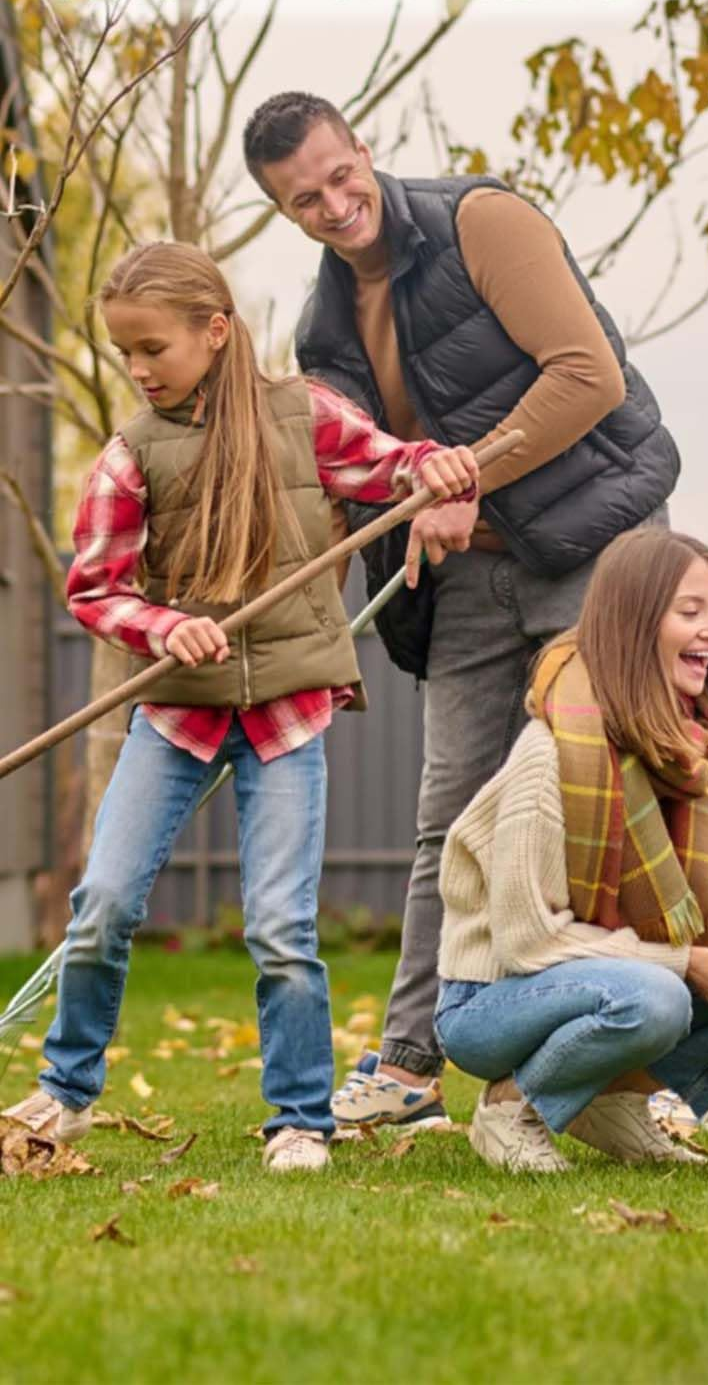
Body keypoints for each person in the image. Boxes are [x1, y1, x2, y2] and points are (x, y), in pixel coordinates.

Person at [241, 93, 679, 1130]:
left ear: (363, 149)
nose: (335, 206)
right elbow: (355, 481)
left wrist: (465, 472)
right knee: (451, 816)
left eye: (340, 177)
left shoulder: (484, 221)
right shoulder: (324, 326)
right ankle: (410, 1063)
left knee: (613, 794)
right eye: (305, 200)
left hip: (591, 542)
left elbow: (589, 377)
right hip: (468, 574)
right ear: (282, 209)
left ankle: (648, 1075)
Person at [1, 242, 478, 1172]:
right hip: (177, 712)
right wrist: (161, 626)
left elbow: (394, 467)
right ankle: (65, 1094)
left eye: (153, 350)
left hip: (285, 713)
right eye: (125, 354)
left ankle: (299, 1118)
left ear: (215, 333)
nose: (139, 371)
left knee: (279, 926)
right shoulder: (133, 452)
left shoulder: (303, 416)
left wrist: (437, 467)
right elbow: (95, 589)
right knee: (101, 903)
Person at [433, 527, 708, 1172]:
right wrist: (683, 961)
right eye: (689, 612)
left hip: (616, 972)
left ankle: (610, 1100)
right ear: (633, 623)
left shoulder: (692, 756)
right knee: (655, 999)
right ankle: (512, 1107)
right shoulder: (550, 756)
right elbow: (528, 943)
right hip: (492, 1001)